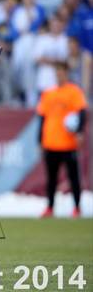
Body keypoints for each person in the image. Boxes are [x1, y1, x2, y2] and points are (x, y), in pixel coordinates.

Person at [37, 61, 88, 218]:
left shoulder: (74, 92)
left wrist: (79, 132)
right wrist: (39, 140)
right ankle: (50, 208)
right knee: (51, 179)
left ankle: (77, 208)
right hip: (51, 142)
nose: (59, 75)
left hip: (68, 143)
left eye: (61, 72)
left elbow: (82, 113)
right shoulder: (48, 93)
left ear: (66, 73)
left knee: (73, 178)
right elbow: (42, 118)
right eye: (57, 72)